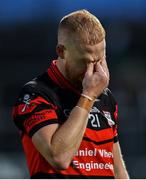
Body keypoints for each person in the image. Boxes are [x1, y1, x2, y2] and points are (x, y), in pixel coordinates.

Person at [12, 9, 129, 179]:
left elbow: (117, 171)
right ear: (61, 51)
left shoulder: (106, 97)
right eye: (86, 62)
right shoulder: (35, 94)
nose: (95, 71)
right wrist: (88, 97)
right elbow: (59, 157)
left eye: (100, 60)